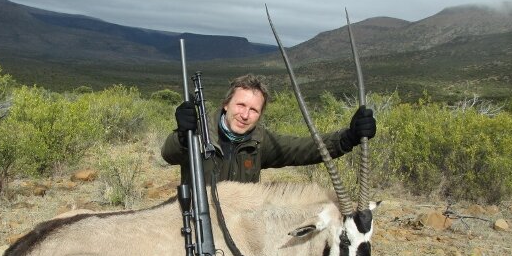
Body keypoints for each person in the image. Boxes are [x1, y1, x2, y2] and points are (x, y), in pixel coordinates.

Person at [161, 74, 376, 183]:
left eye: (254, 110)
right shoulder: (199, 132)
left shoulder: (259, 141)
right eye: (241, 105)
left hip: (240, 228)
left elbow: (305, 149)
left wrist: (349, 138)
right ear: (226, 104)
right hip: (200, 225)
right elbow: (168, 154)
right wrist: (183, 135)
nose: (245, 115)